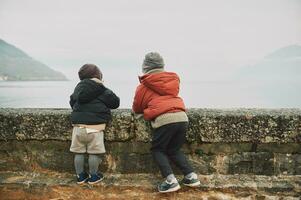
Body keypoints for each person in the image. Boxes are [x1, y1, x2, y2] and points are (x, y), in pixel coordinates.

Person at [132, 52, 200, 193]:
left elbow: (137, 108)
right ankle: (191, 176)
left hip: (164, 119)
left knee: (158, 150)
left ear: (145, 67)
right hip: (182, 117)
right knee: (174, 150)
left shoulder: (144, 86)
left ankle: (170, 181)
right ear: (162, 66)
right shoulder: (172, 81)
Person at [69, 64, 120, 184]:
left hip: (78, 127)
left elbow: (72, 102)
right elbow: (115, 103)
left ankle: (80, 177)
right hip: (95, 128)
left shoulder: (78, 88)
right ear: (98, 76)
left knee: (79, 152)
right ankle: (93, 176)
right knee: (94, 153)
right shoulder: (102, 89)